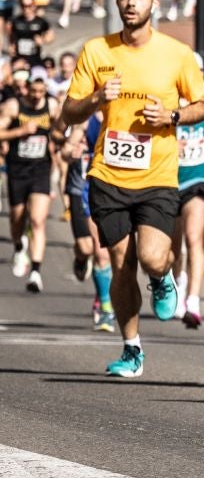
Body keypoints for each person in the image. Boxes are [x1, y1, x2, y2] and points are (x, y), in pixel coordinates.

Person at [55, 0, 204, 378]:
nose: (130, 3)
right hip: (107, 173)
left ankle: (162, 277)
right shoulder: (96, 51)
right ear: (117, 1)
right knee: (121, 264)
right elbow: (68, 112)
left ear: (154, 4)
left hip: (157, 175)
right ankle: (131, 349)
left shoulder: (176, 54)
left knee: (152, 256)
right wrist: (93, 99)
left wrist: (173, 115)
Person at [0, 68, 55, 291]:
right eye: (33, 91)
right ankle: (18, 245)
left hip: (40, 169)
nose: (36, 96)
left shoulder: (51, 106)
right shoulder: (14, 107)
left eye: (41, 92)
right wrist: (20, 132)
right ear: (26, 89)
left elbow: (63, 128)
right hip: (17, 170)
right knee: (17, 218)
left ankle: (35, 272)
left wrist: (61, 139)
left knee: (37, 220)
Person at [171, 69, 204, 330]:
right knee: (173, 247)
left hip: (197, 180)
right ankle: (178, 283)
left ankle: (194, 300)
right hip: (170, 181)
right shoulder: (169, 105)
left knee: (194, 238)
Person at [55, 116, 110, 328]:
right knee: (87, 248)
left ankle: (104, 306)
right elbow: (66, 151)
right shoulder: (87, 122)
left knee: (103, 253)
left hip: (110, 191)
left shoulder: (126, 115)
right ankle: (80, 260)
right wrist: (71, 152)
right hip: (82, 190)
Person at [11, 0, 50, 69]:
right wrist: (11, 45)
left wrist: (43, 40)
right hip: (19, 58)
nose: (26, 9)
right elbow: (10, 35)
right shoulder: (16, 21)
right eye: (23, 6)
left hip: (35, 58)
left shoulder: (40, 21)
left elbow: (50, 35)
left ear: (34, 6)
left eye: (29, 6)